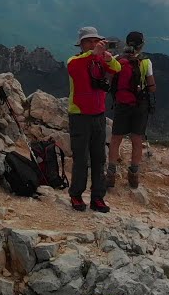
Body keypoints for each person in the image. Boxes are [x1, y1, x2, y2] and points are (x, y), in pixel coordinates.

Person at [66, 26, 121, 213]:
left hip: (98, 114)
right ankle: (76, 195)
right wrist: (93, 54)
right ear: (81, 44)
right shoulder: (75, 61)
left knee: (99, 158)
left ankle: (98, 198)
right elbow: (73, 68)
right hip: (79, 115)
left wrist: (108, 58)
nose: (92, 44)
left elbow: (117, 68)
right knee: (81, 159)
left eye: (95, 41)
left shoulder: (99, 60)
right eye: (88, 41)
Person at [107, 31, 156, 189]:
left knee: (116, 139)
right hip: (140, 106)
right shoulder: (146, 62)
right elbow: (152, 87)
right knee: (136, 140)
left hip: (122, 105)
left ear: (127, 43)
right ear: (142, 45)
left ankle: (111, 173)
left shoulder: (117, 60)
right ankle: (133, 175)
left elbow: (111, 82)